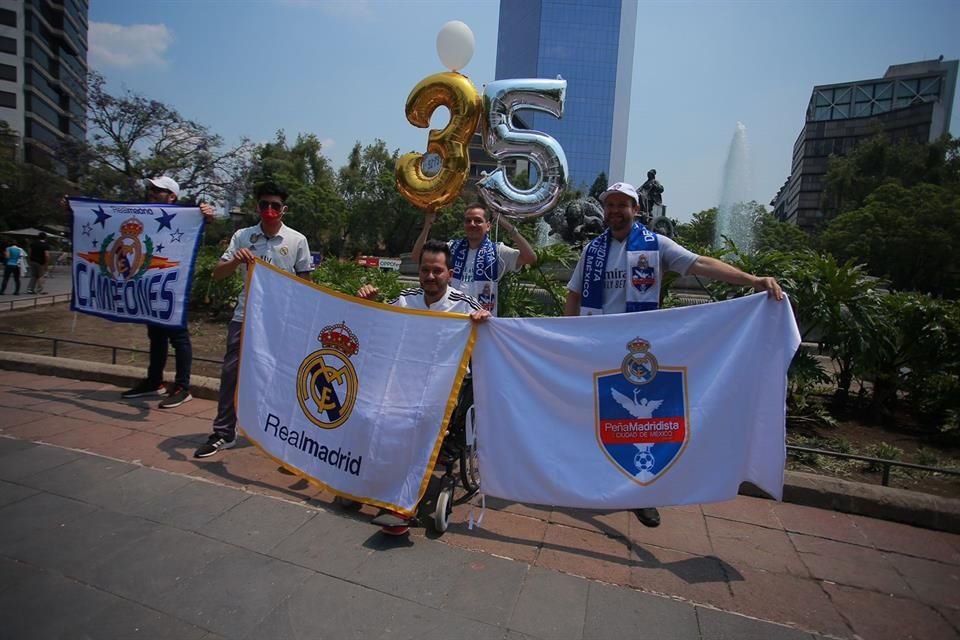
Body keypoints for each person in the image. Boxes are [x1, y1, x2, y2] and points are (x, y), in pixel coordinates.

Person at [564, 182, 784, 528]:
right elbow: (574, 295)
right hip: (599, 348)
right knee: (597, 416)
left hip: (640, 349)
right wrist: (569, 337)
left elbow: (700, 264)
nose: (615, 211)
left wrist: (751, 280)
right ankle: (596, 482)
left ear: (636, 210)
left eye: (623, 205)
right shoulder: (592, 250)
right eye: (610, 205)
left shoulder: (655, 245)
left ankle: (644, 495)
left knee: (643, 424)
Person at [357, 239, 491, 534]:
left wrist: (485, 322)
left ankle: (400, 504)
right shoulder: (405, 301)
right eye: (425, 270)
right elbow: (379, 326)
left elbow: (488, 342)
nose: (431, 276)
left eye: (437, 271)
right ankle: (372, 482)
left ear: (450, 273)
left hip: (443, 392)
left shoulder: (464, 306)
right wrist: (369, 304)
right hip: (402, 384)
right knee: (369, 413)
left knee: (418, 422)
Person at [194, 181, 313, 459]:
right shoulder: (243, 236)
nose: (269, 210)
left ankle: (283, 434)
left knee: (283, 377)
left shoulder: (297, 240)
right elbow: (218, 273)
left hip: (282, 322)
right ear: (257, 208)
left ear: (284, 209)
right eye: (264, 205)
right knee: (231, 373)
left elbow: (307, 282)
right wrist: (236, 261)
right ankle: (224, 432)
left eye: (275, 206)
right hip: (245, 316)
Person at [115, 177, 215, 409]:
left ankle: (182, 386)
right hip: (149, 284)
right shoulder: (144, 216)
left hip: (172, 285)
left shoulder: (183, 217)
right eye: (150, 188)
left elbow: (200, 227)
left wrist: (206, 216)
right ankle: (154, 381)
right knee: (156, 335)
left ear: (172, 196)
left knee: (178, 336)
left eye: (158, 190)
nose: (152, 192)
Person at [411, 203, 536, 315]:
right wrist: (427, 225)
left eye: (478, 220)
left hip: (481, 321)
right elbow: (417, 257)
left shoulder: (498, 251)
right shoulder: (451, 248)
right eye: (468, 221)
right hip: (451, 317)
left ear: (488, 226)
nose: (472, 224)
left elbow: (530, 258)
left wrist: (507, 225)